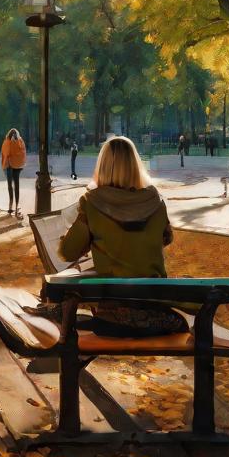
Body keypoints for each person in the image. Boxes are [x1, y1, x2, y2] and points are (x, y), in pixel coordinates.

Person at [53, 136, 187, 336]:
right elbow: (166, 238)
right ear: (135, 165)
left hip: (113, 318)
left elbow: (67, 253)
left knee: (59, 306)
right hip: (158, 316)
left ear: (103, 166)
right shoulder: (155, 201)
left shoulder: (91, 202)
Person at [0, 128, 27, 219]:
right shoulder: (17, 141)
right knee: (14, 185)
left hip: (11, 166)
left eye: (14, 134)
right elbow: (21, 153)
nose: (13, 136)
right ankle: (14, 205)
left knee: (12, 185)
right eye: (12, 134)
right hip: (14, 166)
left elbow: (5, 153)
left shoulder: (11, 142)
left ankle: (13, 205)